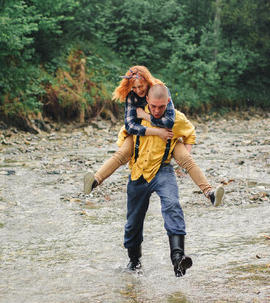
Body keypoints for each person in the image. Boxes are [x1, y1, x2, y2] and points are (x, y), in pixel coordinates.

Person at [82, 66, 224, 207]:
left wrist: (145, 116)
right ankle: (95, 181)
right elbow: (131, 126)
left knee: (187, 159)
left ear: (147, 81)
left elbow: (168, 121)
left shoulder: (161, 90)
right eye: (134, 87)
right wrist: (157, 131)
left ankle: (209, 193)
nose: (138, 90)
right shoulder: (132, 96)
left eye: (140, 86)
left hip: (167, 137)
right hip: (140, 135)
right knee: (121, 154)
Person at [120, 83, 198, 276]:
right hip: (139, 172)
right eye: (153, 106)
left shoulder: (176, 118)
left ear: (168, 102)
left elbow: (190, 134)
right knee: (133, 222)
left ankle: (178, 259)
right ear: (147, 100)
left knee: (173, 205)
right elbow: (124, 138)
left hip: (163, 170)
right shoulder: (136, 116)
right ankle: (134, 262)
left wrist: (183, 158)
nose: (156, 110)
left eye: (161, 107)